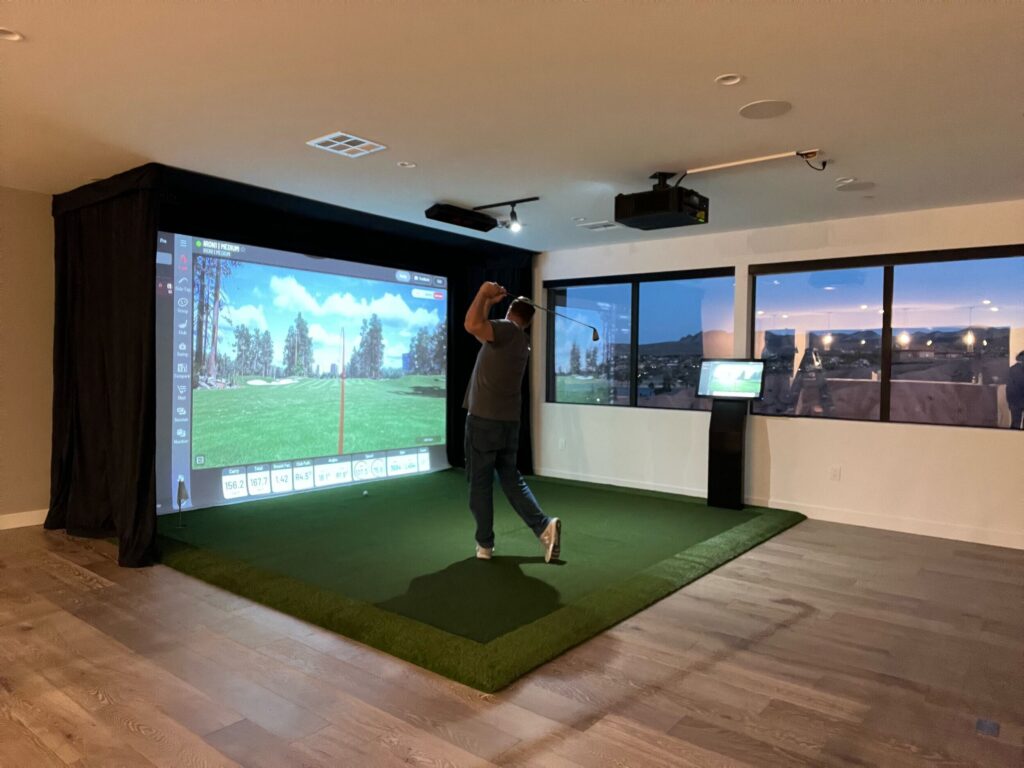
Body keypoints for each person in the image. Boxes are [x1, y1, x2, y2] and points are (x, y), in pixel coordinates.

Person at [463, 281, 560, 562]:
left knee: (479, 484)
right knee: (510, 479)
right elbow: (480, 326)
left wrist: (482, 292)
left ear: (510, 312)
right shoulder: (521, 341)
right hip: (508, 423)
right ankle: (543, 526)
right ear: (529, 321)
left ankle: (484, 545)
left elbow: (471, 324)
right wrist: (487, 304)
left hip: (484, 422)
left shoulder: (505, 331)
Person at [1008, 350, 1024, 430]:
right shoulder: (1018, 370)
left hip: (1014, 401)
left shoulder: (1012, 369)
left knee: (1015, 423)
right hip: (1018, 400)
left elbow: (1009, 387)